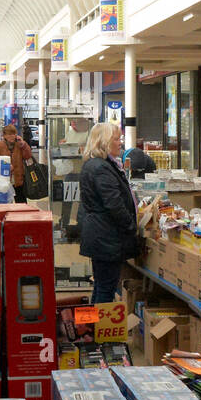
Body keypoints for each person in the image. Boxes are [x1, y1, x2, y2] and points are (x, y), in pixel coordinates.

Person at [78, 122, 139, 304]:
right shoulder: (101, 168)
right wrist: (131, 226)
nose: (120, 143)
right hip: (106, 238)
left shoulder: (96, 165)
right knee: (106, 290)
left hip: (100, 236)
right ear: (104, 142)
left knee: (100, 287)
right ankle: (99, 330)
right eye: (116, 139)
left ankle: (90, 328)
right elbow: (114, 204)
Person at [0, 124, 36, 203]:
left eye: (14, 134)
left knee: (21, 204)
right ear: (4, 135)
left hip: (18, 180)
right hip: (3, 180)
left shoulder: (19, 144)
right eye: (10, 134)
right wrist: (5, 166)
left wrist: (24, 145)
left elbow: (28, 156)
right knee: (5, 203)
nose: (12, 136)